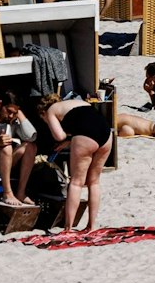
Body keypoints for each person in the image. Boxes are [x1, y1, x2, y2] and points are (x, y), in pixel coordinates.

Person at [33, 92, 112, 233]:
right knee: (94, 182)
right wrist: (70, 141)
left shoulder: (51, 111)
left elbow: (59, 135)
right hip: (106, 133)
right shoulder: (76, 102)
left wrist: (65, 139)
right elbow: (85, 123)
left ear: (43, 112)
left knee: (76, 182)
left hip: (86, 135)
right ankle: (91, 226)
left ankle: (68, 228)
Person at [0, 91, 38, 206]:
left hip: (6, 162)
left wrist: (19, 115)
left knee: (31, 147)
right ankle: (7, 193)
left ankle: (21, 192)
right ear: (0, 104)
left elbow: (31, 137)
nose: (10, 116)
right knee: (6, 147)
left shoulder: (12, 119)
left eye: (14, 113)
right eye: (9, 111)